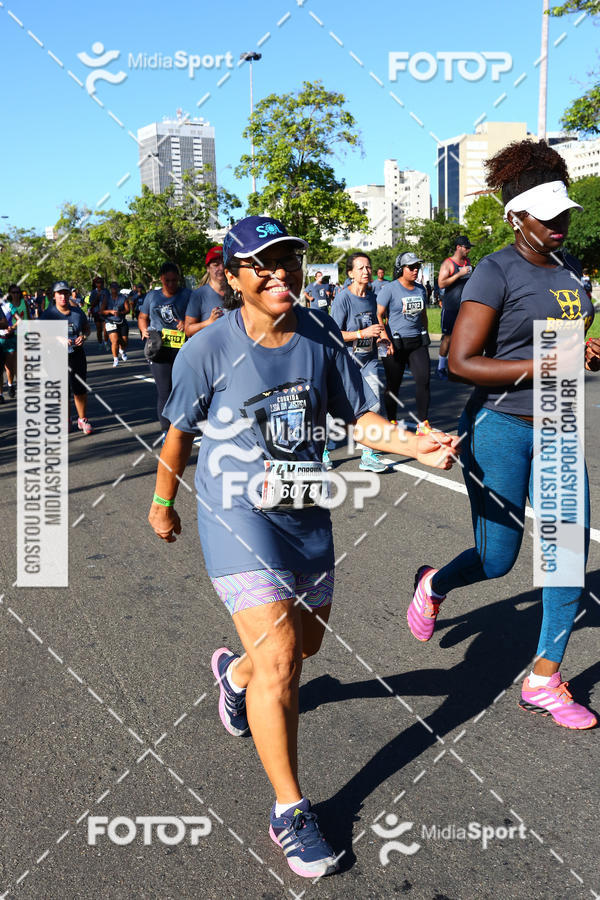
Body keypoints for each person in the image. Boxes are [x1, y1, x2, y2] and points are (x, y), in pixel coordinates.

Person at [147, 214, 460, 879]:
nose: (280, 271)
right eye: (262, 262)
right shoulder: (205, 350)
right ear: (234, 278)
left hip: (304, 510)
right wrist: (162, 501)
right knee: (283, 657)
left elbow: (365, 420)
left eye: (288, 257)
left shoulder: (318, 336)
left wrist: (416, 443)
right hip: (236, 514)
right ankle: (290, 810)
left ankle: (234, 678)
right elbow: (178, 433)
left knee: (303, 649)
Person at [407, 139, 597, 730]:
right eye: (547, 212)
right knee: (498, 560)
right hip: (501, 425)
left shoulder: (571, 273)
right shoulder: (494, 270)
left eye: (564, 210)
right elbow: (460, 361)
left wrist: (584, 351)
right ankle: (435, 583)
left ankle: (544, 677)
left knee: (567, 554)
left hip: (561, 420)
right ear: (517, 216)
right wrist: (542, 364)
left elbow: (567, 345)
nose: (561, 221)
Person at [330, 251, 391, 472]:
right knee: (339, 409)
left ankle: (368, 455)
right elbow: (333, 333)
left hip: (369, 359)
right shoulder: (342, 298)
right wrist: (361, 334)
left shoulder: (373, 296)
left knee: (374, 404)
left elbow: (376, 323)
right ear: (350, 273)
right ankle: (324, 450)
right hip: (346, 361)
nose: (366, 271)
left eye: (368, 267)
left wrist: (384, 338)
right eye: (361, 268)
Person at [377, 252, 432, 432]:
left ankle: (423, 423)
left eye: (417, 267)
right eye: (411, 267)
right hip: (395, 342)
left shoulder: (420, 289)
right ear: (401, 269)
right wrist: (384, 338)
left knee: (424, 379)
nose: (415, 270)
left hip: (416, 341)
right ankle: (392, 420)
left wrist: (425, 331)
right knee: (394, 384)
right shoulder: (389, 289)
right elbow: (378, 314)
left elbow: (423, 314)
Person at [137, 262, 190, 438]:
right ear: (161, 279)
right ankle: (166, 430)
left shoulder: (187, 295)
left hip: (182, 349)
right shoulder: (152, 296)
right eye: (167, 281)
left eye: (175, 280)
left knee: (182, 389)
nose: (171, 284)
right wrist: (144, 329)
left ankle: (183, 424)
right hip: (158, 348)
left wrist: (187, 323)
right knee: (164, 390)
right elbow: (142, 317)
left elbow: (195, 317)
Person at [42, 281, 93, 433]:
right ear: (54, 296)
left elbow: (86, 328)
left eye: (65, 293)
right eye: (59, 293)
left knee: (80, 389)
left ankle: (82, 420)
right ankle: (66, 420)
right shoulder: (48, 315)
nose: (63, 296)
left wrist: (83, 336)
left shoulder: (77, 312)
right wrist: (57, 339)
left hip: (76, 355)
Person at [436, 236, 472, 380]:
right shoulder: (448, 263)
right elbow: (441, 284)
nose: (468, 250)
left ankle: (458, 367)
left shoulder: (468, 262)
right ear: (458, 247)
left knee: (464, 338)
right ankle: (440, 367)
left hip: (465, 307)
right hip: (451, 307)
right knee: (448, 338)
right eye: (466, 247)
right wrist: (459, 274)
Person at [184, 246, 226, 338]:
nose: (221, 268)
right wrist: (209, 322)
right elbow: (188, 330)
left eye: (224, 263)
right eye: (216, 265)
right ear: (208, 268)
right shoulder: (198, 295)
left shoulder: (238, 290)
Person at [0, 285, 26, 398]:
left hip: (10, 339)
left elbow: (19, 320)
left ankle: (10, 384)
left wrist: (13, 327)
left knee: (9, 368)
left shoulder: (8, 306)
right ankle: (0, 394)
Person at [101, 282, 130, 366]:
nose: (114, 289)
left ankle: (122, 350)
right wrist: (110, 311)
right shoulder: (106, 298)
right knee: (115, 341)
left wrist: (120, 313)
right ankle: (115, 359)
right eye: (112, 287)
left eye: (116, 287)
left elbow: (128, 310)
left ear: (118, 288)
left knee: (124, 342)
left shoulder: (123, 298)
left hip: (121, 321)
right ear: (110, 288)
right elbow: (101, 311)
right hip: (110, 321)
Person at [88, 276, 109, 345]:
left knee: (106, 329)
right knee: (99, 329)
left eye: (101, 282)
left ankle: (106, 342)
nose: (100, 284)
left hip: (105, 312)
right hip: (96, 313)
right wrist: (97, 296)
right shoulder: (93, 292)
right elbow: (92, 303)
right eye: (98, 282)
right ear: (95, 284)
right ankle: (100, 343)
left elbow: (110, 300)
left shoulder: (106, 291)